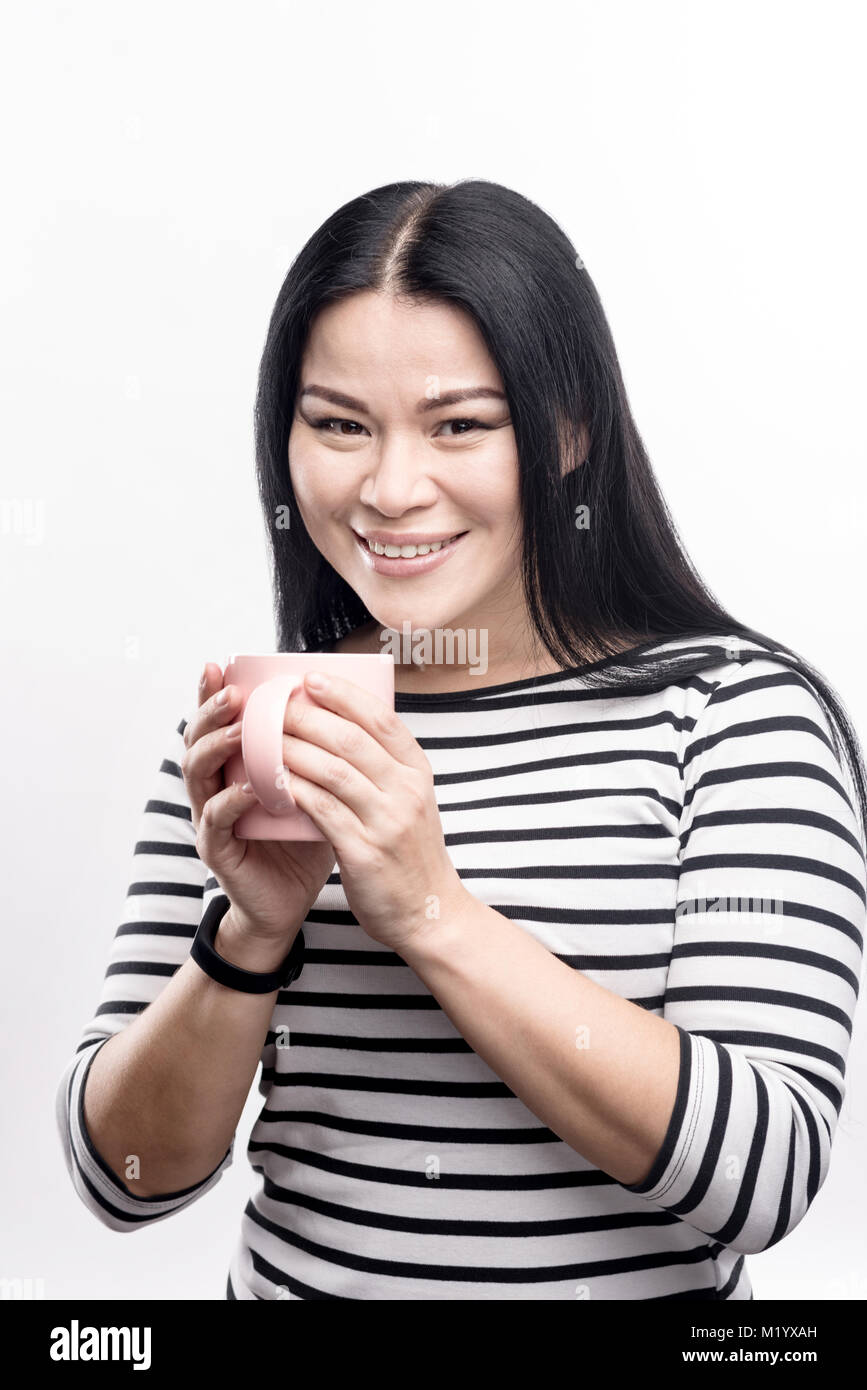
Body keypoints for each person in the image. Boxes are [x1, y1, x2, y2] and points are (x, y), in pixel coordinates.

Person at [56, 179, 867, 1300]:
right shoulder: (263, 724)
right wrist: (248, 935)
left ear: (569, 429)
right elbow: (123, 1177)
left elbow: (762, 1176)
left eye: (460, 425)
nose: (389, 489)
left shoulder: (735, 716)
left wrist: (432, 910)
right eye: (339, 423)